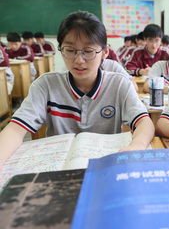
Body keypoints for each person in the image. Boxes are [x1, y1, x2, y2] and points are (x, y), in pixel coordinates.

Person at [0, 11, 155, 171]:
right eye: (70, 50)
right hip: (58, 171)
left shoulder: (119, 84)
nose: (79, 60)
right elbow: (15, 129)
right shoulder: (45, 85)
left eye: (88, 51)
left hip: (103, 168)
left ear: (105, 52)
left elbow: (144, 122)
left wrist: (136, 146)